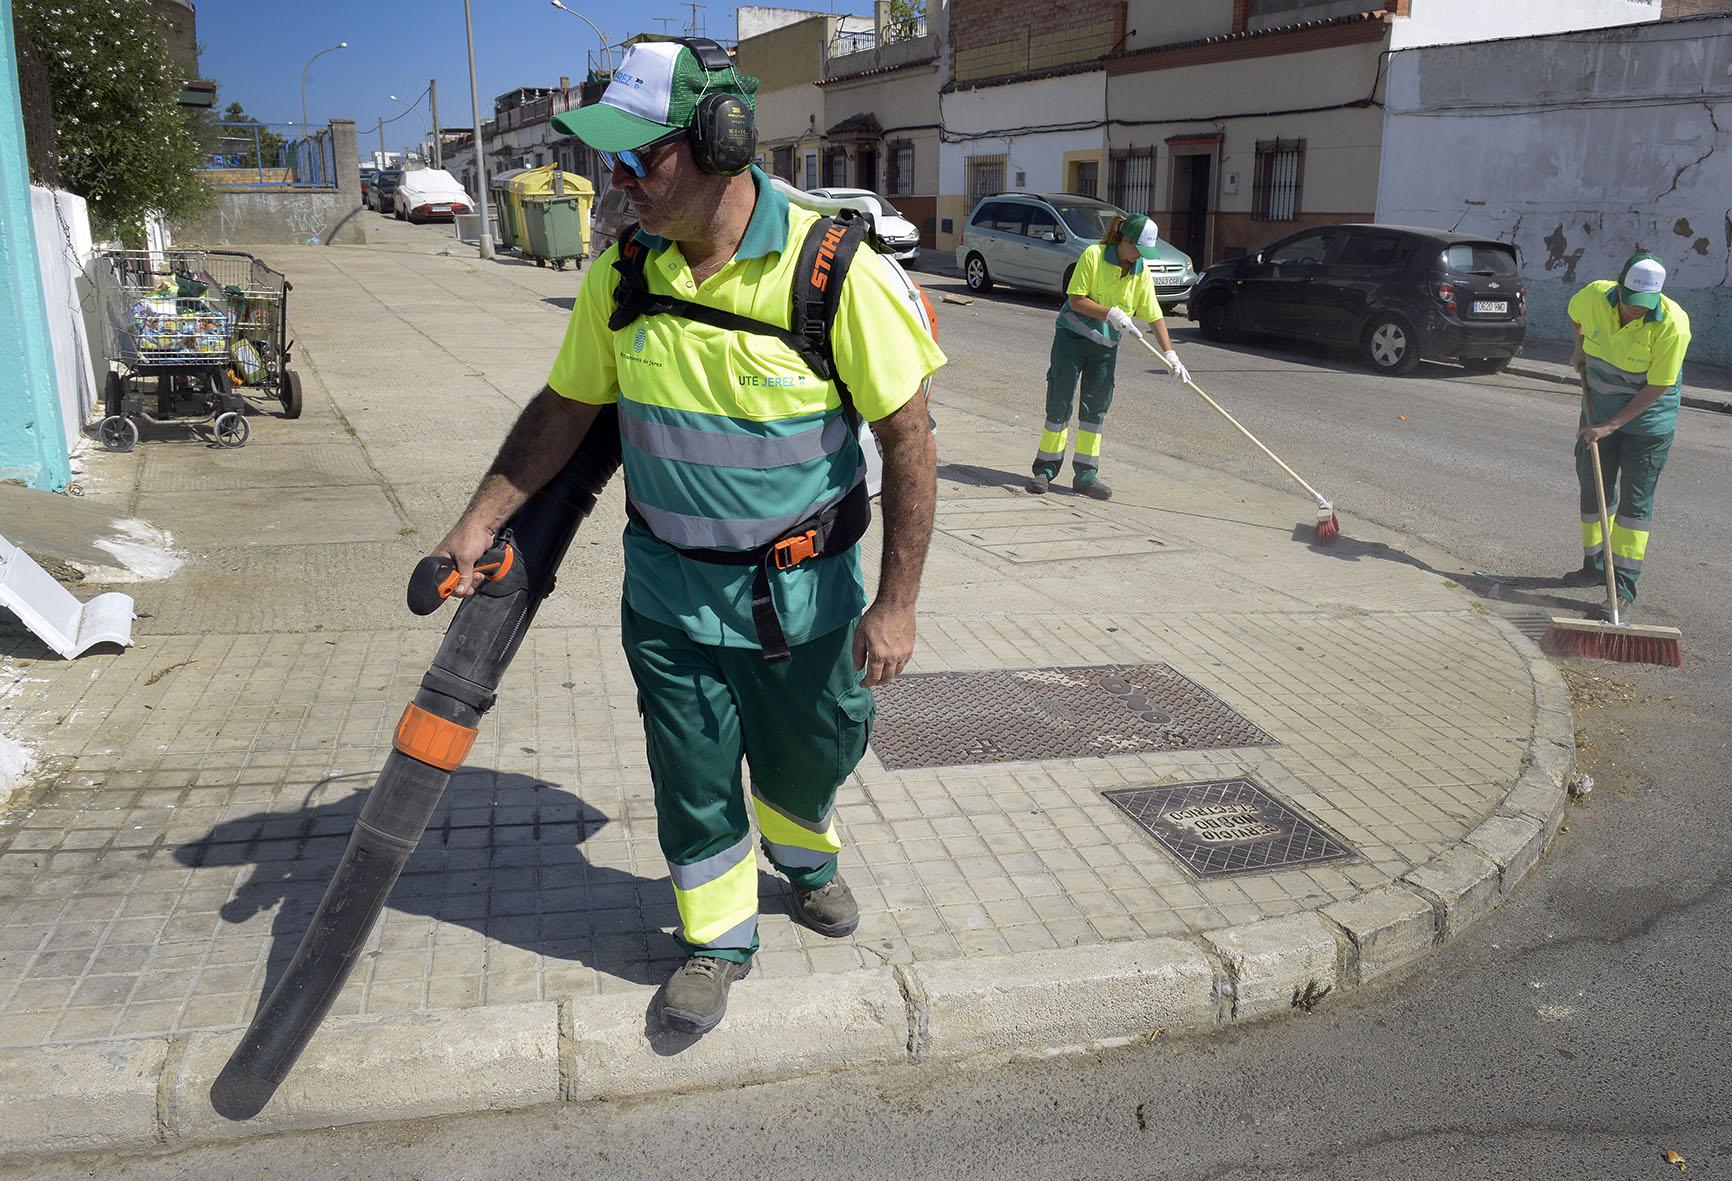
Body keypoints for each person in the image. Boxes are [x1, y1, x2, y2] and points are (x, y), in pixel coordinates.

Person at [431, 39, 945, 1033]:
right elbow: (564, 409)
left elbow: (910, 441)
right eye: (609, 160)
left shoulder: (834, 271)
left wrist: (898, 602)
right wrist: (477, 519)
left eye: (638, 159)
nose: (615, 182)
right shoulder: (623, 273)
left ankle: (804, 854)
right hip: (669, 598)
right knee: (694, 775)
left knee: (812, 754)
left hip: (808, 600)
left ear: (721, 142)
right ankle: (717, 936)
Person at [1563, 252, 1691, 620]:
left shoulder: (1673, 325)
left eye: (1645, 306)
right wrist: (1578, 349)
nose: (1637, 311)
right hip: (1598, 414)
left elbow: (1659, 386)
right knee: (1593, 488)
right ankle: (1594, 567)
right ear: (1619, 288)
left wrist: (1610, 426)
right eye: (1631, 302)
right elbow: (1575, 316)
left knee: (1634, 507)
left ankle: (1621, 588)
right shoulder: (1593, 296)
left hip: (1647, 423)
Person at [1028, 214, 1189, 501]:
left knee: (1095, 411)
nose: (1141, 256)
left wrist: (1171, 354)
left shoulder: (1140, 271)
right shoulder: (1094, 255)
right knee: (1060, 403)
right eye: (1138, 248)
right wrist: (1109, 312)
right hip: (1071, 340)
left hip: (1104, 348)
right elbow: (1076, 299)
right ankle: (1045, 469)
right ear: (1124, 240)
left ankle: (1086, 476)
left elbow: (1154, 315)